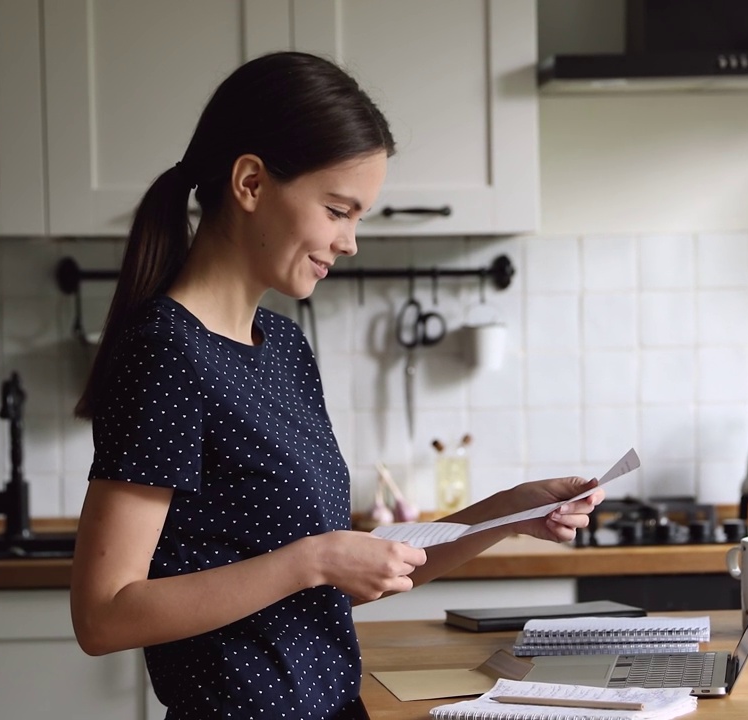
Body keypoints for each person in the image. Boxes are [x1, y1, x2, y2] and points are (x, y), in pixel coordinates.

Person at [68, 51, 605, 720]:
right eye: (337, 210)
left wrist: (505, 512)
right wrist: (312, 561)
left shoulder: (285, 347)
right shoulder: (164, 353)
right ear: (251, 183)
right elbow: (104, 616)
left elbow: (342, 574)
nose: (350, 241)